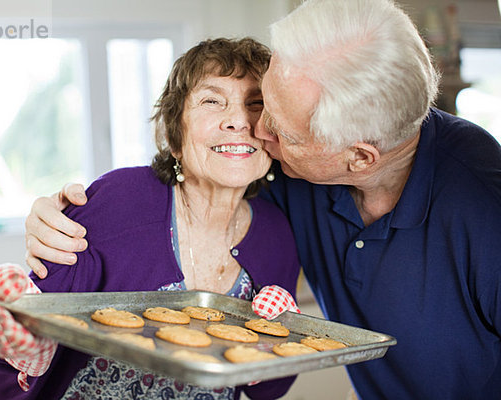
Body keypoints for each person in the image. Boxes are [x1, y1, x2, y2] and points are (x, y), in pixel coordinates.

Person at [25, 0, 501, 399]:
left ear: (356, 157)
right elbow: (195, 166)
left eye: (274, 121)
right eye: (264, 103)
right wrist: (55, 210)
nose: (256, 129)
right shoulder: (288, 169)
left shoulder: (486, 215)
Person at [0, 37, 301, 400]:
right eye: (212, 101)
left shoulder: (276, 232)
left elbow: (270, 389)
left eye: (257, 104)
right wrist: (14, 321)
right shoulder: (122, 198)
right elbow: (26, 336)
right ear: (175, 134)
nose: (238, 120)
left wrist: (274, 339)